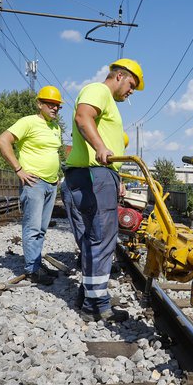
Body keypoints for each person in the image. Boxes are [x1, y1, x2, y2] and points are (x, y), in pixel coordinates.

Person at [61, 58, 144, 323]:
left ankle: (89, 297)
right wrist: (100, 147)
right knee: (102, 239)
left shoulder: (104, 98)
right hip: (94, 175)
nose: (131, 92)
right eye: (132, 84)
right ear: (119, 76)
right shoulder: (99, 91)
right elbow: (83, 116)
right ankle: (99, 306)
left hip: (90, 175)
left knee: (91, 239)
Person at [0, 85, 64, 285]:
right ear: (39, 104)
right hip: (34, 183)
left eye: (58, 106)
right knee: (32, 227)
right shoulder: (28, 122)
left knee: (42, 228)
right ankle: (32, 270)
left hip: (51, 184)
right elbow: (2, 140)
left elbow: (51, 154)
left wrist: (56, 176)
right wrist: (18, 169)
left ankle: (36, 263)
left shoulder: (56, 128)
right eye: (50, 104)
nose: (55, 108)